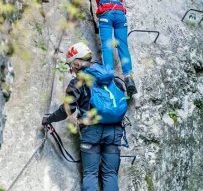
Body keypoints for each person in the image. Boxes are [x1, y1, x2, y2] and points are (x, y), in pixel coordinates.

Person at [42, 42, 135, 191]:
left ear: (77, 63)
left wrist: (49, 119)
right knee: (110, 174)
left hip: (92, 132)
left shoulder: (78, 82)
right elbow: (121, 94)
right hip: (115, 131)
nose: (70, 69)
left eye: (71, 64)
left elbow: (67, 110)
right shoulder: (111, 77)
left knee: (90, 174)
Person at [74, 0, 136, 98]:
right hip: (120, 13)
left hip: (106, 14)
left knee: (108, 46)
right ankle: (129, 78)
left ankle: (109, 80)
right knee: (123, 46)